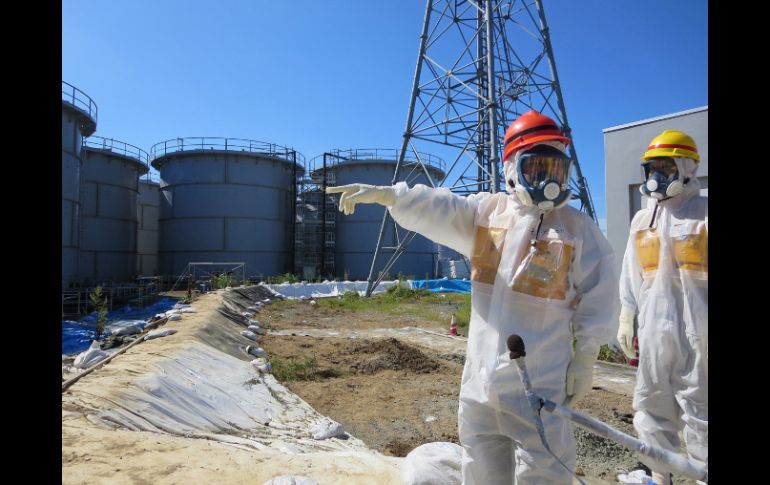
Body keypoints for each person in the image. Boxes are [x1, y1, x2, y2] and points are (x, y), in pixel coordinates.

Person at [327, 110, 618, 484]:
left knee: (545, 469)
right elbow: (442, 207)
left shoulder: (577, 230)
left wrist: (587, 354)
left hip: (541, 381)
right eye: (537, 168)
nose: (548, 182)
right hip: (480, 380)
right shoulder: (487, 215)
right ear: (513, 168)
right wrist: (392, 196)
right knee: (480, 464)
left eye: (556, 170)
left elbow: (601, 291)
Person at [616, 130, 707, 485]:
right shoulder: (643, 221)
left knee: (701, 408)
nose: (657, 177)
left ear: (686, 168)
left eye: (666, 167)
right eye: (652, 169)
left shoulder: (703, 215)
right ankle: (657, 474)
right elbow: (630, 271)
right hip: (654, 329)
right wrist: (627, 314)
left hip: (699, 330)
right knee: (650, 402)